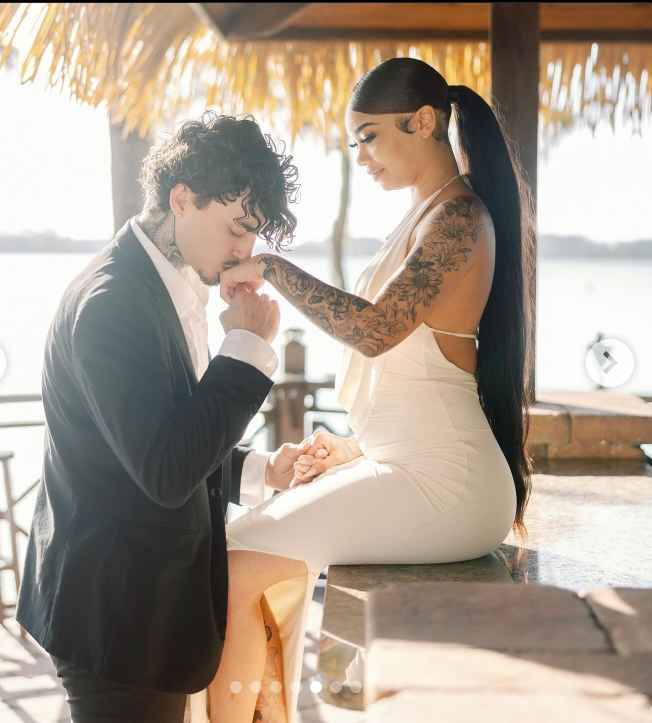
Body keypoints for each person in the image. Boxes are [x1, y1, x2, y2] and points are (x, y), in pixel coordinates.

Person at [192, 57, 535, 723]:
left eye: (371, 136)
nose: (362, 156)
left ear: (426, 121)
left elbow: (376, 331)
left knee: (241, 558)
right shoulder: (426, 217)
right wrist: (351, 450)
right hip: (415, 467)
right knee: (246, 541)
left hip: (450, 487)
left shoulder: (460, 221)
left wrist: (270, 268)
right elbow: (412, 375)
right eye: (355, 142)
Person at [15, 112, 306, 723]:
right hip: (116, 618)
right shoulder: (112, 304)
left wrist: (258, 470)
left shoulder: (163, 285)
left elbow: (161, 435)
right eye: (235, 228)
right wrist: (247, 352)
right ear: (181, 198)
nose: (242, 252)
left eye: (252, 236)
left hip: (133, 610)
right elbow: (165, 468)